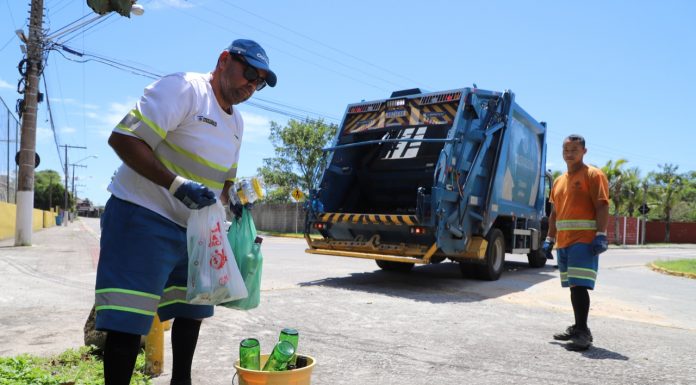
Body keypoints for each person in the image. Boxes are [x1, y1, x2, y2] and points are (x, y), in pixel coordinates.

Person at [94, 39, 277, 385]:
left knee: (191, 313)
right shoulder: (185, 90)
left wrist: (236, 200)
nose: (251, 85)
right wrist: (176, 185)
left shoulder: (237, 124)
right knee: (128, 320)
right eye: (249, 72)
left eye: (260, 81)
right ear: (224, 60)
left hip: (194, 231)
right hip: (142, 216)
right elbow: (123, 139)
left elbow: (224, 185)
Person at [542, 134, 609, 351]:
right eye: (565, 150)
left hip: (585, 240)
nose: (569, 154)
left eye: (574, 150)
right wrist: (549, 239)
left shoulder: (593, 175)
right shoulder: (560, 180)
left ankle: (582, 334)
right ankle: (580, 327)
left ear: (584, 152)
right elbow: (554, 213)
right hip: (564, 242)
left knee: (580, 285)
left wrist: (601, 234)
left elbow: (602, 206)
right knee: (573, 286)